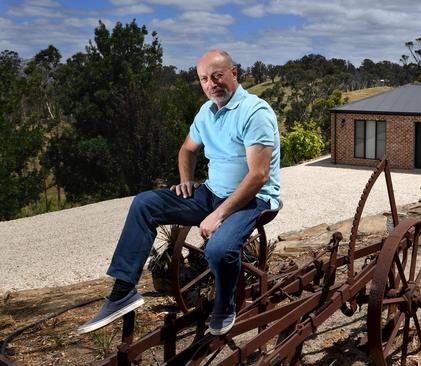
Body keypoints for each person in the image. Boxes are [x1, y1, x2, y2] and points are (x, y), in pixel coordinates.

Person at [78, 49, 280, 336]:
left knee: (220, 249)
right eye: (204, 79)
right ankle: (123, 291)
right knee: (145, 204)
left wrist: (218, 215)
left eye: (217, 76)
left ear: (234, 73)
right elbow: (187, 149)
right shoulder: (206, 112)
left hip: (253, 199)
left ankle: (225, 304)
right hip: (211, 193)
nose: (211, 84)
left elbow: (258, 176)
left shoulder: (254, 112)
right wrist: (186, 180)